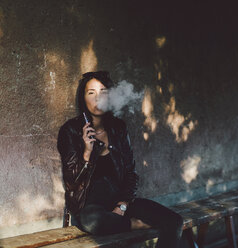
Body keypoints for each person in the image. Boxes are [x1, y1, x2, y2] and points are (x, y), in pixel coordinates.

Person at [57, 71, 183, 247]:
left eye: (103, 92)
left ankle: (122, 221)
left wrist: (122, 205)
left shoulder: (118, 128)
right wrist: (86, 151)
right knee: (92, 221)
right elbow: (71, 181)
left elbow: (131, 173)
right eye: (91, 93)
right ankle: (132, 225)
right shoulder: (70, 130)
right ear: (83, 98)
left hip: (120, 203)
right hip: (89, 208)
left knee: (174, 221)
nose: (97, 98)